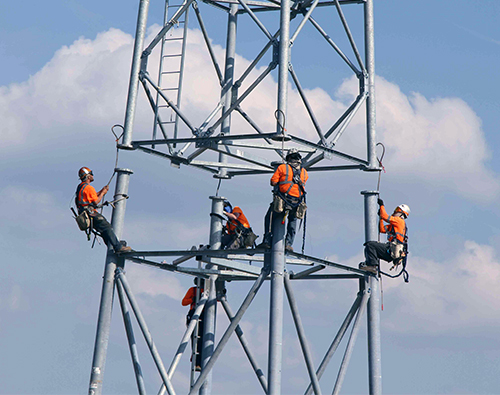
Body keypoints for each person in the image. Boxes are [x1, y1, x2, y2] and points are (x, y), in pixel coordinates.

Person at [258, 149, 308, 252]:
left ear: (289, 158)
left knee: (270, 217)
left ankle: (267, 241)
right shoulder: (304, 172)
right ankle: (288, 244)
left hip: (284, 200)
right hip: (296, 202)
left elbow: (273, 182)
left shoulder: (282, 167)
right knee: (292, 222)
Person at [75, 167, 132, 253]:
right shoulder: (89, 188)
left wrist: (101, 191)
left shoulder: (81, 187)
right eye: (91, 174)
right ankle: (118, 247)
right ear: (88, 177)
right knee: (107, 227)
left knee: (104, 231)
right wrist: (102, 193)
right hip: (91, 214)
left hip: (85, 215)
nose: (93, 176)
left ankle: (113, 245)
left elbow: (91, 197)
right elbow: (95, 202)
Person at [359, 198, 410, 273]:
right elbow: (382, 229)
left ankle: (372, 266)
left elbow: (385, 216)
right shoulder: (395, 225)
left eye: (397, 209)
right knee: (370, 247)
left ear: (402, 213)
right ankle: (371, 265)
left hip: (392, 249)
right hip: (391, 251)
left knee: (370, 245)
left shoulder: (399, 221)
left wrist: (382, 205)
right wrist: (381, 218)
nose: (395, 211)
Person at [182, 278, 205, 371]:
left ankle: (200, 360)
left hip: (204, 315)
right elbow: (184, 302)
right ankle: (196, 361)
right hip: (194, 313)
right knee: (195, 338)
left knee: (203, 339)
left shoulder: (209, 291)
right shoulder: (193, 290)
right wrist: (193, 299)